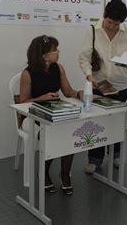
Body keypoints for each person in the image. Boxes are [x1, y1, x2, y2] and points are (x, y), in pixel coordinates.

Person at [79, 0, 127, 174]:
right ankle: (95, 158)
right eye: (109, 22)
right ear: (104, 16)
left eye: (116, 24)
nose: (112, 27)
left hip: (122, 85)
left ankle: (116, 154)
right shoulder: (92, 30)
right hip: (98, 84)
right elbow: (84, 58)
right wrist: (89, 76)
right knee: (96, 122)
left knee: (117, 121)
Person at [19, 35, 83, 195]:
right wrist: (41, 98)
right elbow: (23, 103)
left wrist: (80, 93)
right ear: (43, 55)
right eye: (55, 50)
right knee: (52, 134)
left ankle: (64, 173)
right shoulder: (27, 73)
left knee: (71, 133)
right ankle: (44, 172)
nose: (58, 52)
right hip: (32, 115)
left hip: (54, 113)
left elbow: (68, 92)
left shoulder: (58, 68)